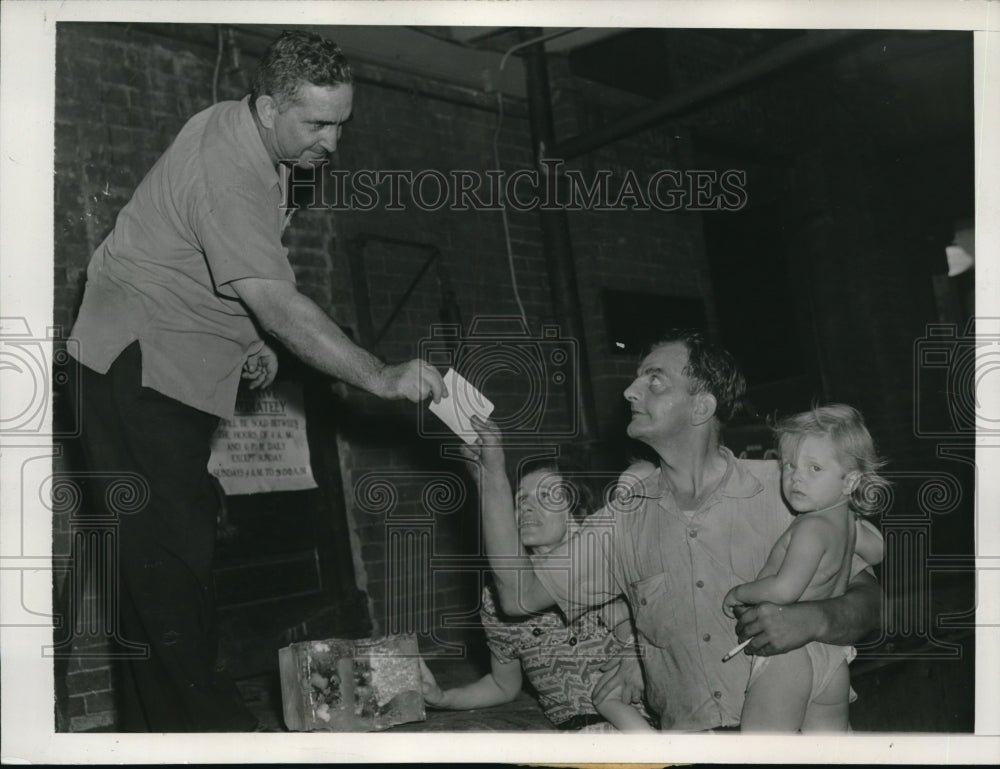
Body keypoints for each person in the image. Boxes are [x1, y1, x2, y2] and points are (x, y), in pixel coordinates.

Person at [67, 30, 445, 732]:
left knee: (160, 576)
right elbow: (274, 298)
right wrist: (380, 374)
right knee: (172, 572)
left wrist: (253, 341)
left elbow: (229, 284)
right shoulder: (229, 169)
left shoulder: (247, 139)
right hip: (132, 365)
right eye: (318, 124)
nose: (333, 143)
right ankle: (215, 739)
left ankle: (163, 738)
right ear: (270, 107)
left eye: (342, 123)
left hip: (159, 369)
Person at [468, 329, 883, 731]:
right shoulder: (623, 521)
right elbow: (517, 595)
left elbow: (870, 600)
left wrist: (814, 620)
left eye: (654, 381)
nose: (630, 391)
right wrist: (492, 475)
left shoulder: (790, 489)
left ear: (701, 407)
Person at [419, 457, 655, 732]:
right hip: (578, 736)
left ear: (574, 509)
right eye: (520, 500)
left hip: (651, 722)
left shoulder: (610, 565)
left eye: (545, 496)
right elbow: (502, 685)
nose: (527, 507)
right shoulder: (496, 599)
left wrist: (640, 652)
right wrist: (442, 698)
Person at [723, 404, 887, 731]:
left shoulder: (810, 527)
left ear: (849, 480)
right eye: (789, 465)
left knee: (761, 754)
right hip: (833, 658)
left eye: (814, 468)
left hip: (789, 657)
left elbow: (785, 590)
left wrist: (738, 592)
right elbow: (879, 551)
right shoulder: (850, 526)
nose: (796, 476)